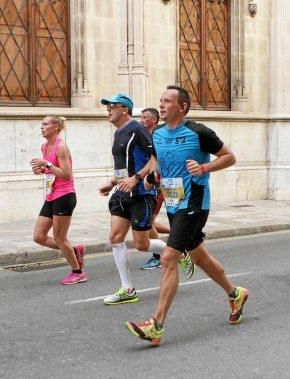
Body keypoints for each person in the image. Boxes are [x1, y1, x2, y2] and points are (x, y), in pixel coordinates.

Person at [125, 85, 248, 346]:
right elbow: (157, 161)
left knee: (169, 256)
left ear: (182, 107)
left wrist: (204, 167)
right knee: (198, 255)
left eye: (167, 101)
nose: (161, 105)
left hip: (194, 202)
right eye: (160, 100)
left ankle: (156, 325)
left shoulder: (199, 132)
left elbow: (229, 157)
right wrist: (152, 176)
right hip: (172, 201)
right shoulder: (157, 133)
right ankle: (235, 293)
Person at [98, 94, 193, 305]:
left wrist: (137, 178)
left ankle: (179, 252)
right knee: (115, 238)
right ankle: (128, 289)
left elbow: (155, 158)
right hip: (123, 194)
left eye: (112, 106)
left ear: (124, 109)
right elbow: (125, 166)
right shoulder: (118, 134)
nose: (108, 110)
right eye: (107, 107)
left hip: (142, 193)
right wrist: (113, 182)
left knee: (141, 245)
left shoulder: (136, 129)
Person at [30, 116, 86, 285]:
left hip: (65, 195)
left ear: (55, 127)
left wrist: (46, 165)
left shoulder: (61, 147)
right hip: (51, 195)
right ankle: (74, 250)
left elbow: (66, 174)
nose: (42, 127)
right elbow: (52, 171)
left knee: (60, 238)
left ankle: (78, 272)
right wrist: (42, 170)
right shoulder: (45, 146)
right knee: (39, 237)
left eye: (45, 124)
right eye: (41, 124)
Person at [138, 107, 171, 270]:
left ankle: (159, 256)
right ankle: (179, 236)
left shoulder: (158, 137)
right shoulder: (143, 136)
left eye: (145, 117)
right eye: (141, 117)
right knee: (147, 222)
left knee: (149, 221)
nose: (141, 120)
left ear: (154, 120)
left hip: (159, 184)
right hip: (149, 184)